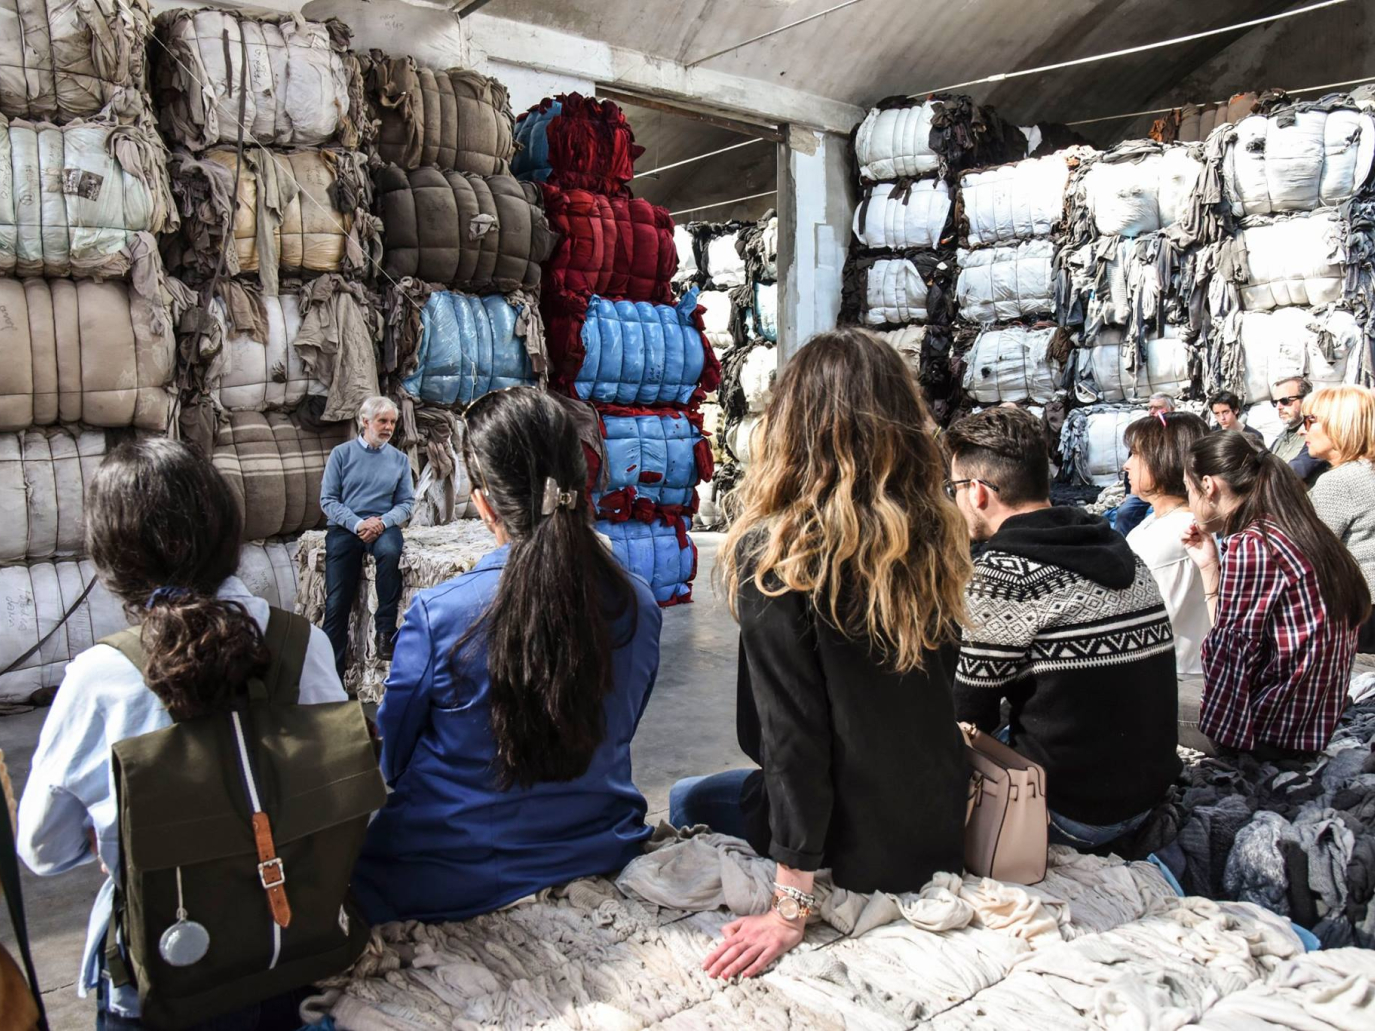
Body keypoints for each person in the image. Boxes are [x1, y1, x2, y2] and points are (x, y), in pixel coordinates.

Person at [670, 329, 970, 980]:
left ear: (791, 427)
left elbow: (792, 742)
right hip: (939, 821)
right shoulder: (933, 533)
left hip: (853, 845)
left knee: (687, 799)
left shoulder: (777, 557)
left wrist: (789, 905)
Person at [17, 439, 345, 1030]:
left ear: (113, 553)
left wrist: (111, 837)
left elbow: (42, 850)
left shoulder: (102, 675)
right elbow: (349, 797)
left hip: (163, 975)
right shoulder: (304, 646)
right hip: (292, 956)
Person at [351, 387, 661, 923]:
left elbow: (393, 764)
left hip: (448, 878)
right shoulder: (638, 604)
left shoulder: (441, 616)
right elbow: (624, 726)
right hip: (601, 847)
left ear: (483, 503)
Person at [948, 407, 1180, 849]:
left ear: (977, 493)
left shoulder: (1003, 575)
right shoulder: (1119, 549)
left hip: (1072, 814)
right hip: (1146, 793)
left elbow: (965, 716)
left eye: (954, 488)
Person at [1181, 432, 1369, 757]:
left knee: (1143, 700)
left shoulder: (1252, 545)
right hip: (1313, 718)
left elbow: (1230, 655)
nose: (1189, 502)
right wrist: (1211, 565)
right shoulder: (1297, 527)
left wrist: (1227, 742)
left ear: (1208, 485)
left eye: (1188, 490)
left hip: (1274, 731)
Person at [320, 396, 414, 674]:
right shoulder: (341, 454)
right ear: (364, 421)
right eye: (382, 421)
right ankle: (330, 678)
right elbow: (328, 499)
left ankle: (385, 631)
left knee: (389, 553)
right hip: (346, 527)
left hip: (383, 525)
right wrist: (357, 523)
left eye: (393, 422)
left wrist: (383, 523)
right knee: (337, 602)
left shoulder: (399, 460)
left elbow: (407, 503)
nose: (388, 427)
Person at [1122, 412, 1211, 674]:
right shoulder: (1159, 523)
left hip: (1174, 679)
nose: (1127, 465)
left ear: (1165, 459)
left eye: (1136, 455)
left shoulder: (1178, 533)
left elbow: (1142, 624)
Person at [1302, 385, 1375, 652]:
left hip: (1360, 613)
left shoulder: (1339, 481)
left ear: (1340, 423)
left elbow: (1309, 555)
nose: (1303, 430)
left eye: (1310, 420)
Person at [1269, 377, 1328, 486]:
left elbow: (1299, 468)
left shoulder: (1317, 431)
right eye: (1275, 402)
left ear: (1306, 399)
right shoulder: (1283, 435)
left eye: (1285, 401)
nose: (1278, 407)